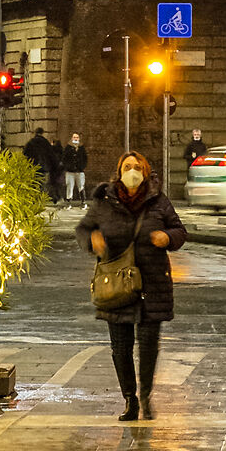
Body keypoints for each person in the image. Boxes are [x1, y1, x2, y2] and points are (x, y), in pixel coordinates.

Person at [77, 150, 186, 421]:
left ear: (145, 172)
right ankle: (130, 399)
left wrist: (168, 237)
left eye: (137, 166)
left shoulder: (159, 202)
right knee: (121, 348)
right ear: (119, 171)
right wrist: (93, 240)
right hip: (116, 285)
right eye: (127, 166)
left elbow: (180, 231)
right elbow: (82, 230)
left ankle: (147, 396)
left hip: (152, 284)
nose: (132, 171)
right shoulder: (105, 203)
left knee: (149, 345)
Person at [23, 126, 60, 195]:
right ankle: (41, 197)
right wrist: (55, 166)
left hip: (33, 166)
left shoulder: (31, 142)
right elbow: (51, 155)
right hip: (44, 167)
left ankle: (34, 197)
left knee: (34, 182)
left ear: (35, 133)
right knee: (42, 183)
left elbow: (25, 154)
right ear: (42, 133)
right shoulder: (45, 143)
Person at [60, 132, 88, 205]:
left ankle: (83, 201)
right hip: (70, 171)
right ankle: (69, 202)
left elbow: (85, 158)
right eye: (74, 137)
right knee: (69, 186)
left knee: (81, 186)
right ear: (72, 138)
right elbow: (64, 158)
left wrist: (82, 166)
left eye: (77, 137)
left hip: (79, 170)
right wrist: (67, 166)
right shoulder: (68, 147)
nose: (76, 139)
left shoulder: (81, 147)